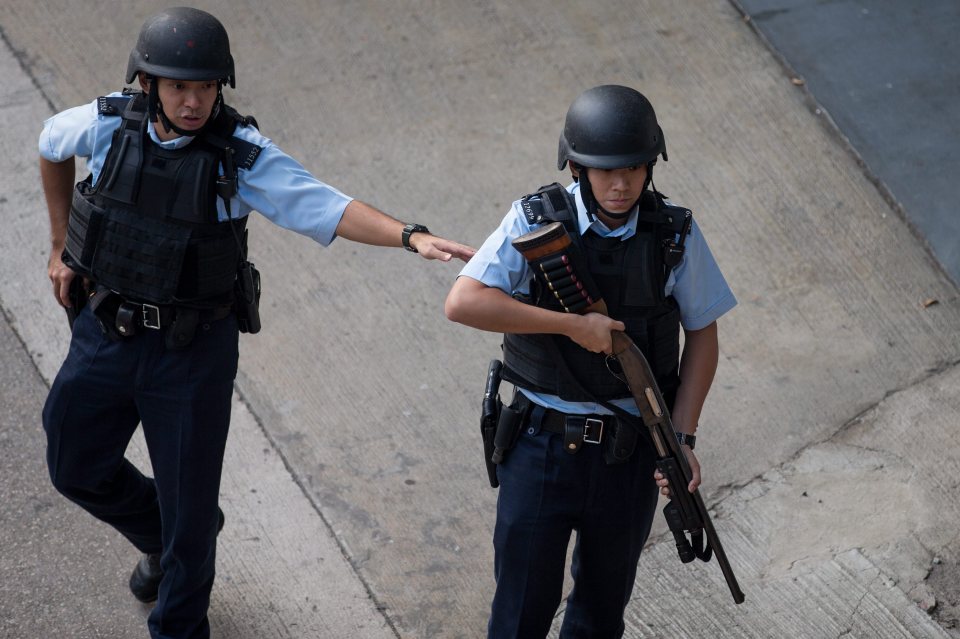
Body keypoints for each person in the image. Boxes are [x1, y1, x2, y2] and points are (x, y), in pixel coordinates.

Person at [39, 7, 474, 639]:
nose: (194, 102)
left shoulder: (239, 156)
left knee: (189, 515)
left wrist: (410, 236)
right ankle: (165, 534)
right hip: (105, 331)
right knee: (73, 464)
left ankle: (180, 619)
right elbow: (50, 146)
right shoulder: (108, 122)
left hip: (190, 354)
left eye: (208, 87)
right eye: (180, 87)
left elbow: (327, 204)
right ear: (147, 84)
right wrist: (58, 247)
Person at [445, 84, 737, 637]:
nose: (621, 184)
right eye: (605, 170)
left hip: (629, 453)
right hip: (540, 447)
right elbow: (463, 302)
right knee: (520, 612)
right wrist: (572, 325)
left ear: (651, 164)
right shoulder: (534, 219)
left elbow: (703, 334)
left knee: (601, 616)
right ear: (576, 167)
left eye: (632, 168)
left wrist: (683, 438)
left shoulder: (673, 233)